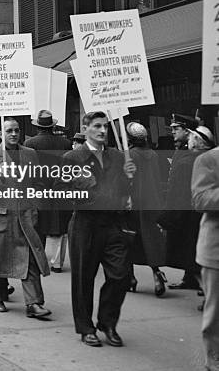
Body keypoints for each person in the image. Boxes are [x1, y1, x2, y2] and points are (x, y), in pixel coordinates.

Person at [61, 111, 136, 347]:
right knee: (84, 278)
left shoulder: (117, 156)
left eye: (105, 126)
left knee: (121, 275)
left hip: (113, 223)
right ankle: (86, 328)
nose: (103, 131)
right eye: (97, 126)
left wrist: (129, 178)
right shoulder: (72, 157)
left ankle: (108, 322)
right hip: (85, 224)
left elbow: (123, 191)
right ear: (86, 128)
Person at [0, 116, 52, 317]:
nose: (13, 134)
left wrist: (36, 202)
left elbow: (37, 181)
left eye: (16, 130)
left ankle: (34, 303)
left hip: (25, 216)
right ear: (1, 134)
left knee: (30, 259)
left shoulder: (30, 154)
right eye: (9, 131)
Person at [159, 120, 213, 291]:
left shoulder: (193, 159)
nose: (173, 132)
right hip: (197, 209)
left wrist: (168, 214)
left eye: (177, 129)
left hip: (190, 211)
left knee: (191, 248)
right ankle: (192, 279)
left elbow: (180, 189)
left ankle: (205, 289)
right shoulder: (187, 154)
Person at [24, 110, 72, 274]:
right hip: (61, 188)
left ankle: (39, 257)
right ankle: (57, 262)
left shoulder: (30, 144)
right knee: (61, 226)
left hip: (39, 189)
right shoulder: (65, 143)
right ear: (53, 125)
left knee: (39, 225)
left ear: (38, 126)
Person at [124, 122, 167, 297]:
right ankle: (156, 272)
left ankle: (131, 278)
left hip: (134, 204)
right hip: (152, 202)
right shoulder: (154, 155)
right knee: (150, 240)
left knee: (128, 240)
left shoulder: (129, 155)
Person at [191, 144, 219, 371]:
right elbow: (200, 199)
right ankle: (214, 359)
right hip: (216, 250)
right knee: (216, 313)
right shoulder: (209, 159)